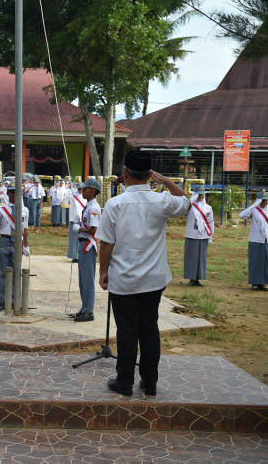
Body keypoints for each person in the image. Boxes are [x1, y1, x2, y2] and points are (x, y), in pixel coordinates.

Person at [96, 150, 190, 397]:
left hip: (124, 279)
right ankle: (150, 383)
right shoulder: (162, 201)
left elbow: (106, 243)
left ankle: (124, 381)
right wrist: (168, 182)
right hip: (153, 279)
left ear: (124, 174)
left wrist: (103, 270)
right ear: (150, 175)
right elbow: (187, 203)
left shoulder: (114, 204)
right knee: (149, 329)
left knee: (127, 331)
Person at [0, 184, 30, 311]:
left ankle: (14, 300)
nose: (13, 195)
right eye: (11, 192)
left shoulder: (25, 210)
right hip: (4, 241)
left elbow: (25, 230)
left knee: (16, 273)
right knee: (3, 273)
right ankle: (3, 301)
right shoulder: (1, 210)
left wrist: (26, 246)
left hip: (17, 242)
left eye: (15, 192)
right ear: (8, 193)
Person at [71, 178, 101, 322]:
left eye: (85, 189)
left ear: (93, 191)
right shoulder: (88, 206)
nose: (82, 191)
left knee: (87, 280)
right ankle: (85, 308)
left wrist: (79, 228)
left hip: (88, 245)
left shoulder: (94, 208)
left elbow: (93, 230)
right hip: (83, 244)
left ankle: (88, 311)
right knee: (83, 280)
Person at [239, 191, 268, 291]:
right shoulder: (254, 210)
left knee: (266, 262)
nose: (264, 202)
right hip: (255, 239)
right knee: (255, 261)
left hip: (267, 240)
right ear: (258, 201)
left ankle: (263, 283)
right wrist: (254, 205)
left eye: (265, 200)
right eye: (262, 200)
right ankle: (255, 283)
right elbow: (242, 215)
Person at [183, 185, 214, 287]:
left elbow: (211, 222)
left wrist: (210, 237)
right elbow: (182, 209)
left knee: (201, 259)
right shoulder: (189, 206)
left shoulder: (208, 208)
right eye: (198, 194)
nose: (200, 196)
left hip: (203, 236)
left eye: (202, 194)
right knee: (191, 258)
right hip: (192, 235)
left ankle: (199, 279)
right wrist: (191, 199)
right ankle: (192, 278)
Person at [67, 183, 86, 262]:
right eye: (79, 189)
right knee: (74, 239)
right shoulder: (72, 195)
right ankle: (74, 256)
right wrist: (68, 194)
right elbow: (63, 201)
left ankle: (80, 256)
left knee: (82, 238)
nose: (80, 190)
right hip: (74, 219)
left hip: (82, 219)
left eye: (82, 189)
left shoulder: (85, 197)